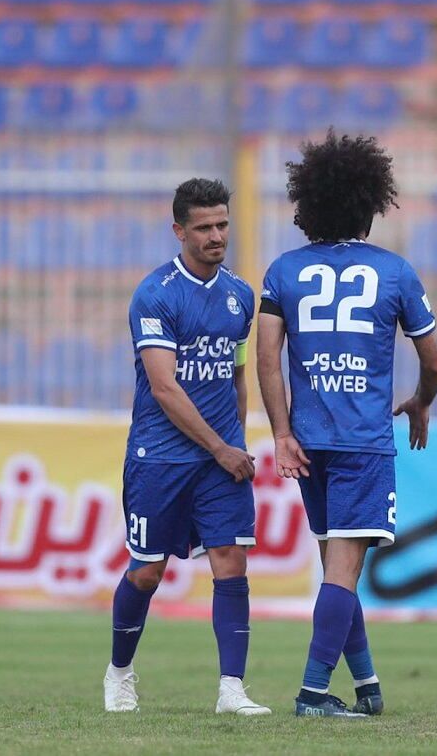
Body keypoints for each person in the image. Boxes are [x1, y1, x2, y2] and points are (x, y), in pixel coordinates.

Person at [255, 131, 437, 719]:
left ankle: (366, 686)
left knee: (339, 565)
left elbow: (266, 357)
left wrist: (282, 431)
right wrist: (420, 401)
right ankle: (313, 693)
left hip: (308, 441)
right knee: (344, 568)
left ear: (307, 205)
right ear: (370, 203)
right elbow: (434, 360)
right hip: (363, 443)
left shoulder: (283, 270)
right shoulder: (394, 272)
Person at [104, 178, 271, 717]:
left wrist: (235, 443)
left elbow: (237, 377)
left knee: (231, 563)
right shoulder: (155, 294)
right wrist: (222, 446)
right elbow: (164, 388)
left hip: (221, 461)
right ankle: (120, 672)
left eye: (222, 224)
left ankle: (232, 689)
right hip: (160, 458)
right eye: (204, 227)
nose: (216, 235)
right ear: (179, 231)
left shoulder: (241, 296)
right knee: (147, 572)